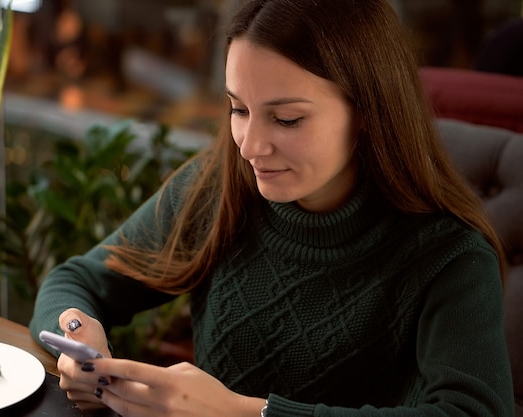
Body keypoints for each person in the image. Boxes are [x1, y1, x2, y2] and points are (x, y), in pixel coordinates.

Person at [29, 0, 515, 416]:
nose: (250, 146)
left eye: (286, 119)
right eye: (238, 109)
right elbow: (77, 280)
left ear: (368, 113)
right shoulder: (219, 187)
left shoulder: (450, 256)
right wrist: (76, 333)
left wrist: (247, 412)